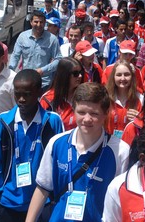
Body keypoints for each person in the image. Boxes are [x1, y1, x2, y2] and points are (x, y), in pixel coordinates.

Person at [25, 83, 130, 221]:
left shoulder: (120, 151)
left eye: (94, 113)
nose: (87, 119)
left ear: (106, 114)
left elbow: (121, 201)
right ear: (73, 110)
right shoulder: (57, 143)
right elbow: (43, 188)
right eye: (81, 112)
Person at [0, 69, 64, 221]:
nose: (21, 99)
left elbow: (59, 159)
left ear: (38, 92)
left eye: (27, 94)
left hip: (43, 201)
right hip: (9, 202)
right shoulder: (3, 121)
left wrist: (56, 195)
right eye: (17, 94)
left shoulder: (53, 121)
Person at [9, 10, 62, 91]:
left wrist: (42, 70)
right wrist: (10, 71)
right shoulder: (22, 37)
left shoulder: (52, 39)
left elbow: (58, 60)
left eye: (41, 22)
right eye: (36, 22)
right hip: (26, 81)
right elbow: (15, 55)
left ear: (45, 23)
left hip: (44, 83)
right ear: (31, 22)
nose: (38, 25)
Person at [40, 57, 84, 131]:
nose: (80, 76)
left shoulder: (83, 95)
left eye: (81, 72)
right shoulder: (48, 100)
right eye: (75, 73)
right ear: (64, 75)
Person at [105, 60, 142, 138]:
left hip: (130, 145)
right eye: (119, 75)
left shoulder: (141, 99)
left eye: (127, 74)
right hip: (108, 144)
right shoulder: (105, 98)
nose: (123, 78)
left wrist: (139, 118)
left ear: (132, 77)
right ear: (113, 77)